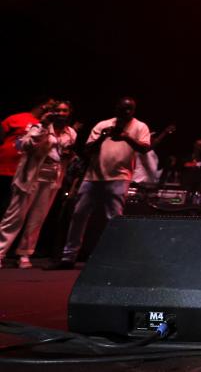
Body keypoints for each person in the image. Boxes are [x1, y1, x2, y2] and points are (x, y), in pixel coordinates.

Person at [53, 97, 151, 269]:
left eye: (130, 109)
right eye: (123, 108)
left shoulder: (140, 126)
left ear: (134, 110)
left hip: (119, 177)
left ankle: (113, 258)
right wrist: (103, 137)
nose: (126, 112)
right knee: (78, 216)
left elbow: (144, 148)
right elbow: (87, 150)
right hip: (93, 177)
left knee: (114, 220)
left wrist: (126, 137)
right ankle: (68, 258)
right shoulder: (103, 125)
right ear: (117, 108)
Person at [0, 101, 76, 268]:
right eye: (58, 110)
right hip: (31, 176)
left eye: (65, 111)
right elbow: (25, 145)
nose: (62, 113)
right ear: (51, 112)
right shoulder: (38, 127)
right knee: (15, 217)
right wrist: (43, 125)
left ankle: (25, 254)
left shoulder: (70, 133)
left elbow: (64, 155)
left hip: (52, 178)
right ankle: (0, 251)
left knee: (37, 219)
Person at [0, 98, 55, 216]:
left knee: (8, 209)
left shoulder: (47, 127)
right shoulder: (17, 118)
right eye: (50, 106)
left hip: (23, 173)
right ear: (42, 105)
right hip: (3, 167)